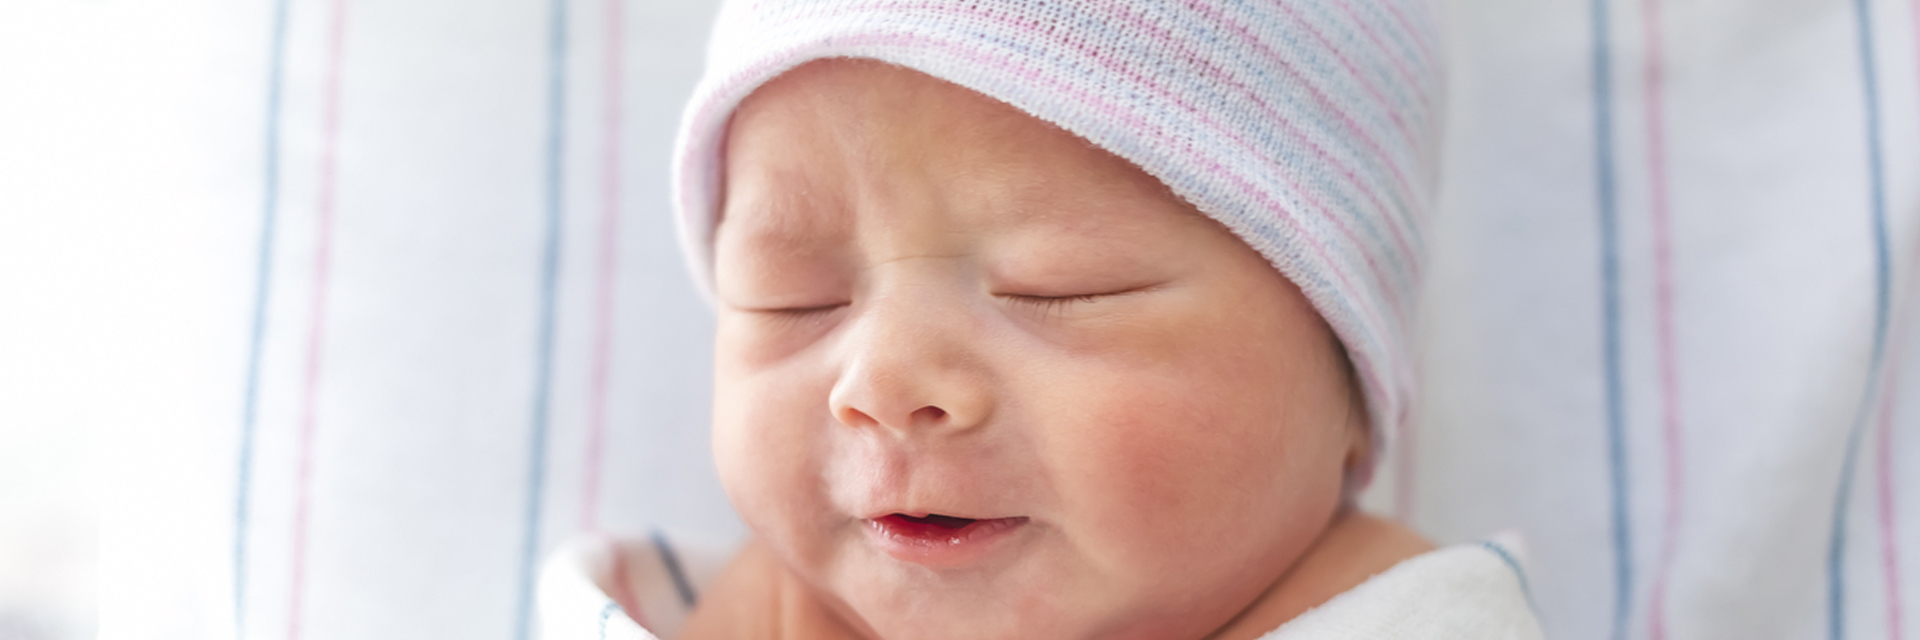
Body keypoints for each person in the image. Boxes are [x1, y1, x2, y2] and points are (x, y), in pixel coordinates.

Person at [542, 1, 1542, 638]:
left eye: (1059, 283)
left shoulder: (1408, 617)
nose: (883, 382)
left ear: (1353, 376)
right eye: (794, 296)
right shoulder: (776, 613)